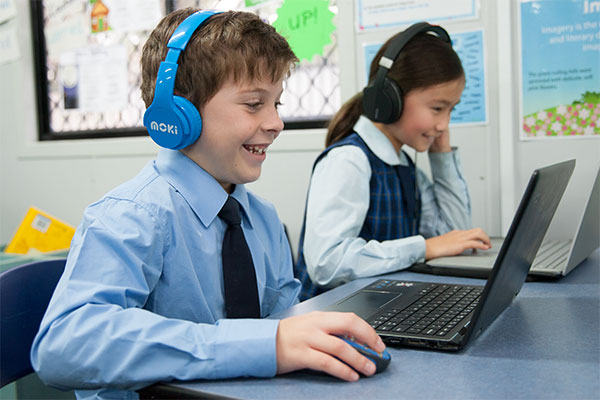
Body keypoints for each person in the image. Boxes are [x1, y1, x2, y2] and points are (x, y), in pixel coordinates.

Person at [30, 8, 385, 399]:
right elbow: (63, 347)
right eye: (254, 104)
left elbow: (283, 320)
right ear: (177, 114)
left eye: (277, 105)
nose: (275, 123)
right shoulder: (132, 216)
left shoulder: (261, 217)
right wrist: (259, 346)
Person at [294, 23, 491, 300]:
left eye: (451, 110)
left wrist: (441, 155)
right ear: (389, 99)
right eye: (437, 108)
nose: (444, 124)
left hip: (381, 310)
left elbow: (454, 236)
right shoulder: (349, 160)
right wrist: (423, 248)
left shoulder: (404, 166)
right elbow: (327, 264)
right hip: (331, 321)